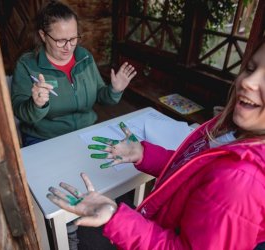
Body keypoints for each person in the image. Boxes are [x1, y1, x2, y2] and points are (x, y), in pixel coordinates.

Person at [47, 40, 265, 249]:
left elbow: (104, 97)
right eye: (250, 68)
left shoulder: (241, 181)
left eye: (73, 39)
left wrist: (116, 217)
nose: (247, 81)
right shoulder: (230, 130)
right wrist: (144, 153)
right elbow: (189, 170)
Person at [11, 0, 136, 147]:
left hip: (87, 131)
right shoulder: (27, 65)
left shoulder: (84, 57)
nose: (68, 47)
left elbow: (101, 96)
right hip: (44, 137)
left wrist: (115, 90)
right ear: (43, 36)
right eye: (61, 40)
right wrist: (36, 105)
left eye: (73, 38)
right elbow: (20, 111)